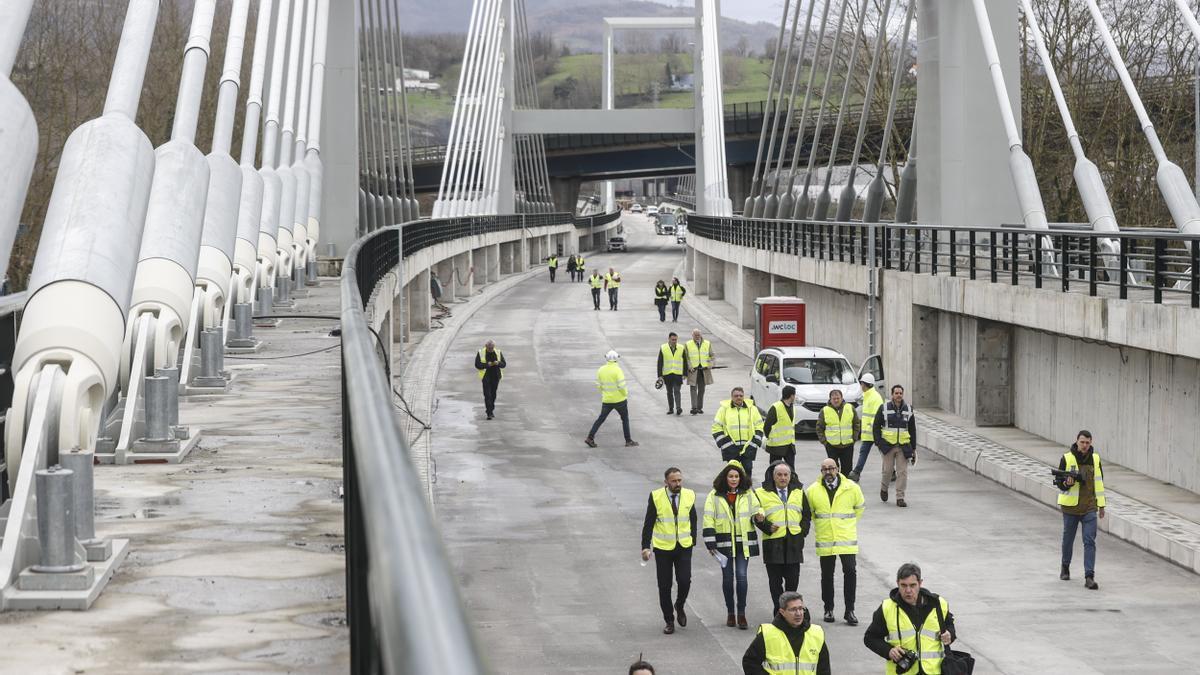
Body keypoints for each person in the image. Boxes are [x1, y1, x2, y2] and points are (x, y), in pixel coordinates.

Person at [703, 461, 768, 630]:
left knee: (741, 576)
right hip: (723, 543)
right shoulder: (714, 495)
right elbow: (708, 517)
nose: (734, 479)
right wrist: (710, 542)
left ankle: (742, 614)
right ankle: (730, 613)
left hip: (743, 542)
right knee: (727, 578)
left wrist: (760, 515)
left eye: (737, 476)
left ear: (741, 478)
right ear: (725, 477)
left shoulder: (748, 493)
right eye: (731, 476)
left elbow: (757, 509)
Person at [864, 563, 956, 674]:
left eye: (912, 585)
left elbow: (950, 626)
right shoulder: (887, 608)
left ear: (920, 583)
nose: (908, 590)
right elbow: (870, 638)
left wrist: (950, 634)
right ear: (897, 583)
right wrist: (888, 651)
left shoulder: (938, 604)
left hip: (933, 672)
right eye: (903, 585)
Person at [805, 458, 864, 626]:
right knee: (827, 575)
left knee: (850, 572)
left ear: (837, 469)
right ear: (821, 471)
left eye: (831, 468)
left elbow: (860, 508)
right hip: (826, 538)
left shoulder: (852, 488)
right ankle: (828, 608)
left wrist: (847, 524)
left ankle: (849, 610)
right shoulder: (813, 490)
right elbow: (810, 513)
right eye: (824, 469)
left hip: (846, 538)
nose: (828, 472)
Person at [641, 467, 697, 634]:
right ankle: (669, 620)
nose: (677, 483)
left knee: (685, 580)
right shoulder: (656, 496)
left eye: (679, 480)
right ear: (666, 482)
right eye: (673, 481)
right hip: (663, 548)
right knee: (664, 586)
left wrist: (692, 538)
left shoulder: (689, 494)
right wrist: (645, 546)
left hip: (684, 546)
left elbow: (692, 518)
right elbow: (648, 523)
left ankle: (679, 605)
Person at [755, 461, 811, 615]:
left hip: (794, 543)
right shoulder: (760, 493)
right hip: (773, 543)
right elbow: (756, 516)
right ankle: (779, 611)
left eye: (786, 475)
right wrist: (766, 526)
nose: (783, 478)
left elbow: (806, 515)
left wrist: (802, 532)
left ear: (790, 476)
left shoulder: (799, 492)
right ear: (773, 477)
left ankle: (791, 610)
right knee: (775, 583)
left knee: (792, 582)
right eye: (779, 475)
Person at [1057, 430, 1105, 589]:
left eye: (1087, 442)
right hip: (1070, 508)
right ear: (1077, 441)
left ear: (1091, 443)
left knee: (1089, 541)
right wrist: (1067, 483)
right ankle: (1065, 566)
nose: (1085, 445)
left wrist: (1102, 505)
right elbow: (1059, 483)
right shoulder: (1067, 458)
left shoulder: (1095, 459)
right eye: (1082, 442)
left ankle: (1089, 576)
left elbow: (1099, 483)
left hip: (1089, 507)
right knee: (1068, 539)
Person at [741, 592, 831, 675]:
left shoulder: (816, 634)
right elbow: (750, 662)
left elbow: (824, 669)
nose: (798, 613)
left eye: (801, 608)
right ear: (782, 612)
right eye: (793, 610)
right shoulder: (768, 634)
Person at [873, 384, 917, 508]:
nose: (898, 395)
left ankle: (900, 497)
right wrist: (879, 443)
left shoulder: (909, 409)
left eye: (900, 393)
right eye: (896, 393)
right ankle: (884, 488)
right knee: (887, 471)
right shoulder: (884, 408)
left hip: (903, 447)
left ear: (903, 394)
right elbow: (876, 427)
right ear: (892, 394)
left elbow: (912, 429)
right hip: (887, 446)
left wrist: (913, 448)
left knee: (902, 472)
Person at [584, 350, 639, 448]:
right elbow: (622, 386)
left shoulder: (601, 369)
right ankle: (628, 440)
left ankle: (590, 437)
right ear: (616, 359)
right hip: (620, 400)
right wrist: (625, 394)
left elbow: (598, 385)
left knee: (600, 419)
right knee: (625, 419)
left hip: (607, 400)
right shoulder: (618, 370)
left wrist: (605, 393)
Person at [712, 387, 764, 480]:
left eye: (741, 395)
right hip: (731, 449)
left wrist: (754, 443)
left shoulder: (752, 409)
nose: (739, 398)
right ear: (731, 397)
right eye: (736, 396)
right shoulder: (723, 410)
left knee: (748, 470)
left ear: (744, 396)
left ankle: (747, 491)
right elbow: (716, 427)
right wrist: (727, 445)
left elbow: (759, 426)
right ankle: (733, 492)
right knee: (733, 474)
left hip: (748, 448)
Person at [816, 390, 860, 477]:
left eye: (838, 398)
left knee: (847, 470)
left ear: (842, 398)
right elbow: (819, 428)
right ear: (830, 400)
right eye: (834, 399)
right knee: (833, 470)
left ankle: (845, 487)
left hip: (847, 445)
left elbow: (856, 424)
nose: (836, 400)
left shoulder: (850, 408)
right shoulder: (824, 410)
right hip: (832, 446)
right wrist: (824, 442)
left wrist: (854, 438)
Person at [849, 374, 884, 483]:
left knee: (884, 453)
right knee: (865, 452)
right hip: (869, 433)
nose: (861, 386)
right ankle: (857, 472)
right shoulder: (867, 396)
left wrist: (873, 431)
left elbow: (877, 417)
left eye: (862, 384)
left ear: (866, 384)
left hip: (874, 433)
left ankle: (891, 472)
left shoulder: (875, 398)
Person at [762, 386, 798, 469]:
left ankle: (792, 482)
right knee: (774, 469)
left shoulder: (793, 407)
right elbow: (767, 426)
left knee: (791, 470)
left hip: (789, 446)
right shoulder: (776, 407)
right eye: (794, 395)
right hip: (776, 447)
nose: (795, 397)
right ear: (791, 396)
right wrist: (770, 437)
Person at [472, 340, 506, 420]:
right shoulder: (481, 352)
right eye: (489, 348)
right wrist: (487, 365)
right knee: (487, 395)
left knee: (493, 394)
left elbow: (504, 364)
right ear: (485, 346)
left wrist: (498, 363)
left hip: (495, 376)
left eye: (492, 348)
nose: (491, 349)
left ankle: (491, 409)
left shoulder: (498, 352)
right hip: (485, 376)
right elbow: (477, 365)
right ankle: (489, 413)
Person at [685, 329, 715, 414]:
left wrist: (710, 364)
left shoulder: (707, 343)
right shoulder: (688, 344)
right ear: (692, 336)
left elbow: (712, 356)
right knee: (693, 389)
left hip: (704, 370)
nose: (697, 337)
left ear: (701, 335)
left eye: (698, 335)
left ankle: (699, 407)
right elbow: (686, 358)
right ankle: (694, 408)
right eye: (695, 335)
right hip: (693, 370)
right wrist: (689, 366)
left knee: (702, 389)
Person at [656, 332, 685, 415]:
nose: (674, 341)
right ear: (669, 339)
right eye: (672, 340)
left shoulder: (681, 348)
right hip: (667, 374)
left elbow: (685, 361)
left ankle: (678, 408)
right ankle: (671, 408)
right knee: (669, 392)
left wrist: (685, 373)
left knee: (677, 391)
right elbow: (660, 362)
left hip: (677, 374)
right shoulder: (663, 348)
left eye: (675, 340)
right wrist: (660, 375)